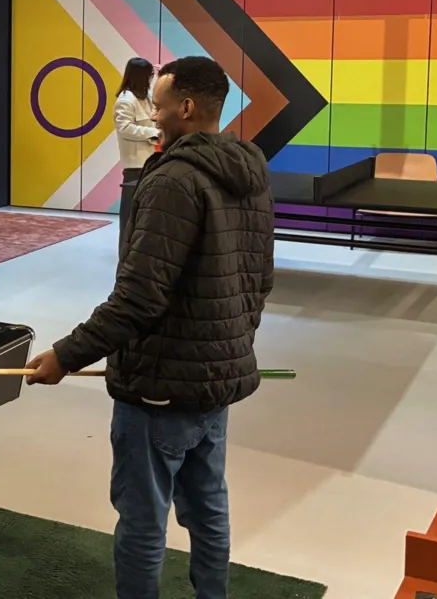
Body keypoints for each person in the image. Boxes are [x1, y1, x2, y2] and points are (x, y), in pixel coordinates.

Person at [25, 56, 275, 599]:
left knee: (143, 521)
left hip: (160, 389)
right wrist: (229, 345)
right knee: (209, 508)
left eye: (159, 106)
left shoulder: (172, 181)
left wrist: (67, 355)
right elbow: (260, 279)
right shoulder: (250, 172)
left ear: (186, 107)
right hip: (215, 384)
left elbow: (139, 296)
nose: (153, 116)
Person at [114, 57, 158, 169]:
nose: (151, 79)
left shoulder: (147, 95)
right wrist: (154, 133)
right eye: (150, 75)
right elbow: (124, 128)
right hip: (136, 164)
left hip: (152, 160)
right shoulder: (126, 100)